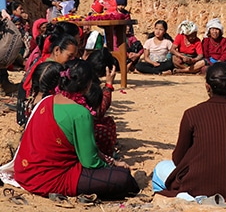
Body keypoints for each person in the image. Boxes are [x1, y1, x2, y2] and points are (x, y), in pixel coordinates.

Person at [14, 59, 139, 199]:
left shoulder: (48, 100)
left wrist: (113, 161)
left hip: (23, 172)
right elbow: (90, 162)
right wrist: (110, 167)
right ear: (88, 85)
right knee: (123, 178)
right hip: (48, 179)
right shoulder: (81, 113)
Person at [152, 62, 226, 203]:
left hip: (196, 185)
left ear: (207, 86)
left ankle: (182, 197)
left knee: (160, 168)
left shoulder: (192, 114)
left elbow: (178, 158)